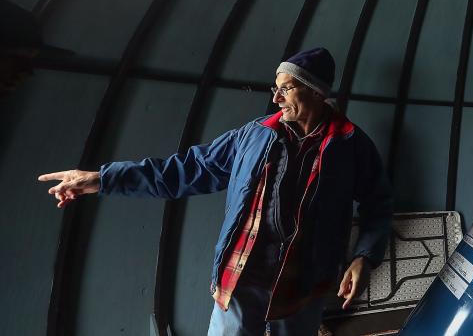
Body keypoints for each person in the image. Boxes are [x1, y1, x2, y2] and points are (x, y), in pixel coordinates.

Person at [39, 47, 393, 336]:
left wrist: (364, 257)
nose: (276, 97)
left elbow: (378, 204)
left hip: (303, 283)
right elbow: (182, 172)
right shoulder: (252, 136)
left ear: (315, 91)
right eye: (275, 88)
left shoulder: (351, 146)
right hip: (241, 275)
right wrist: (100, 178)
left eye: (286, 87)